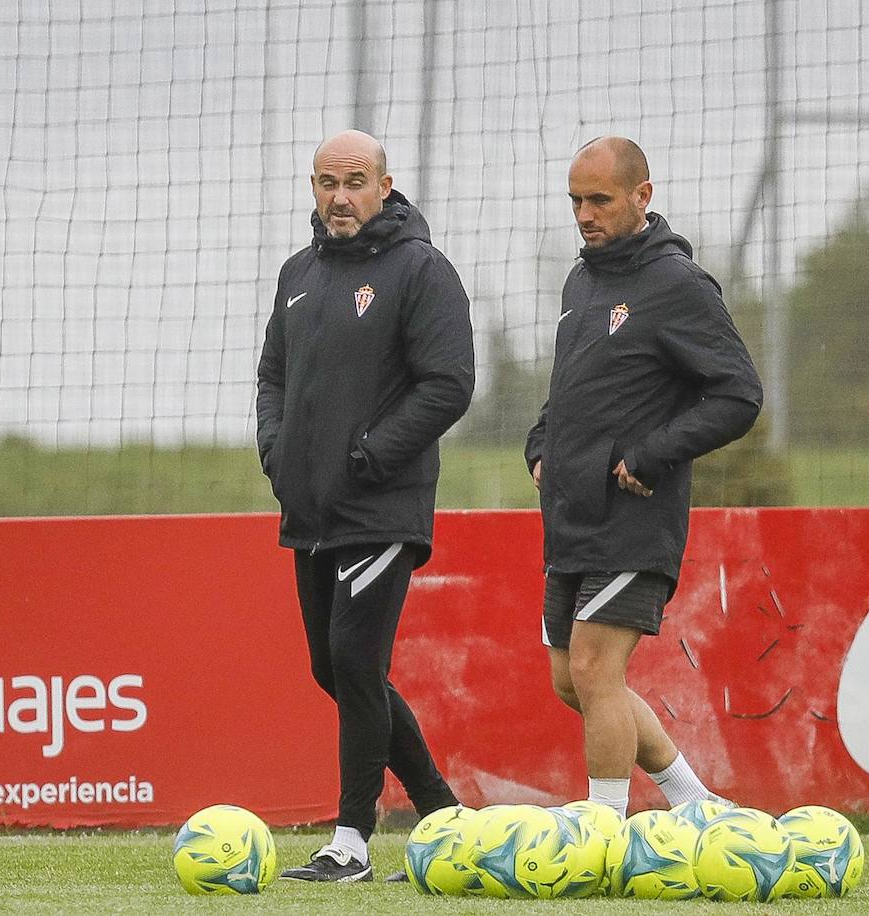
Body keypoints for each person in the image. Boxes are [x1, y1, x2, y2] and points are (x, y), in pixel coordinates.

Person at [256, 129, 475, 882]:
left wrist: (371, 456)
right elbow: (272, 379)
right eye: (325, 182)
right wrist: (277, 454)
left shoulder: (421, 269)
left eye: (354, 181)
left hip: (382, 507)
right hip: (309, 509)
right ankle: (445, 816)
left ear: (385, 185)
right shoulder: (297, 273)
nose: (338, 197)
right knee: (336, 668)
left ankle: (350, 841)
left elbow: (448, 383)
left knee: (355, 661)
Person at [525, 137, 762, 818]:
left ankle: (602, 826)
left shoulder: (676, 285)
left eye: (599, 198)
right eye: (576, 200)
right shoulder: (581, 281)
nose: (585, 214)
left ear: (642, 196)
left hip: (633, 517)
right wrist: (542, 443)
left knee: (598, 671)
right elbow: (573, 388)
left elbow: (739, 394)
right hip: (571, 516)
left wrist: (652, 452)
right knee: (571, 682)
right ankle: (694, 800)